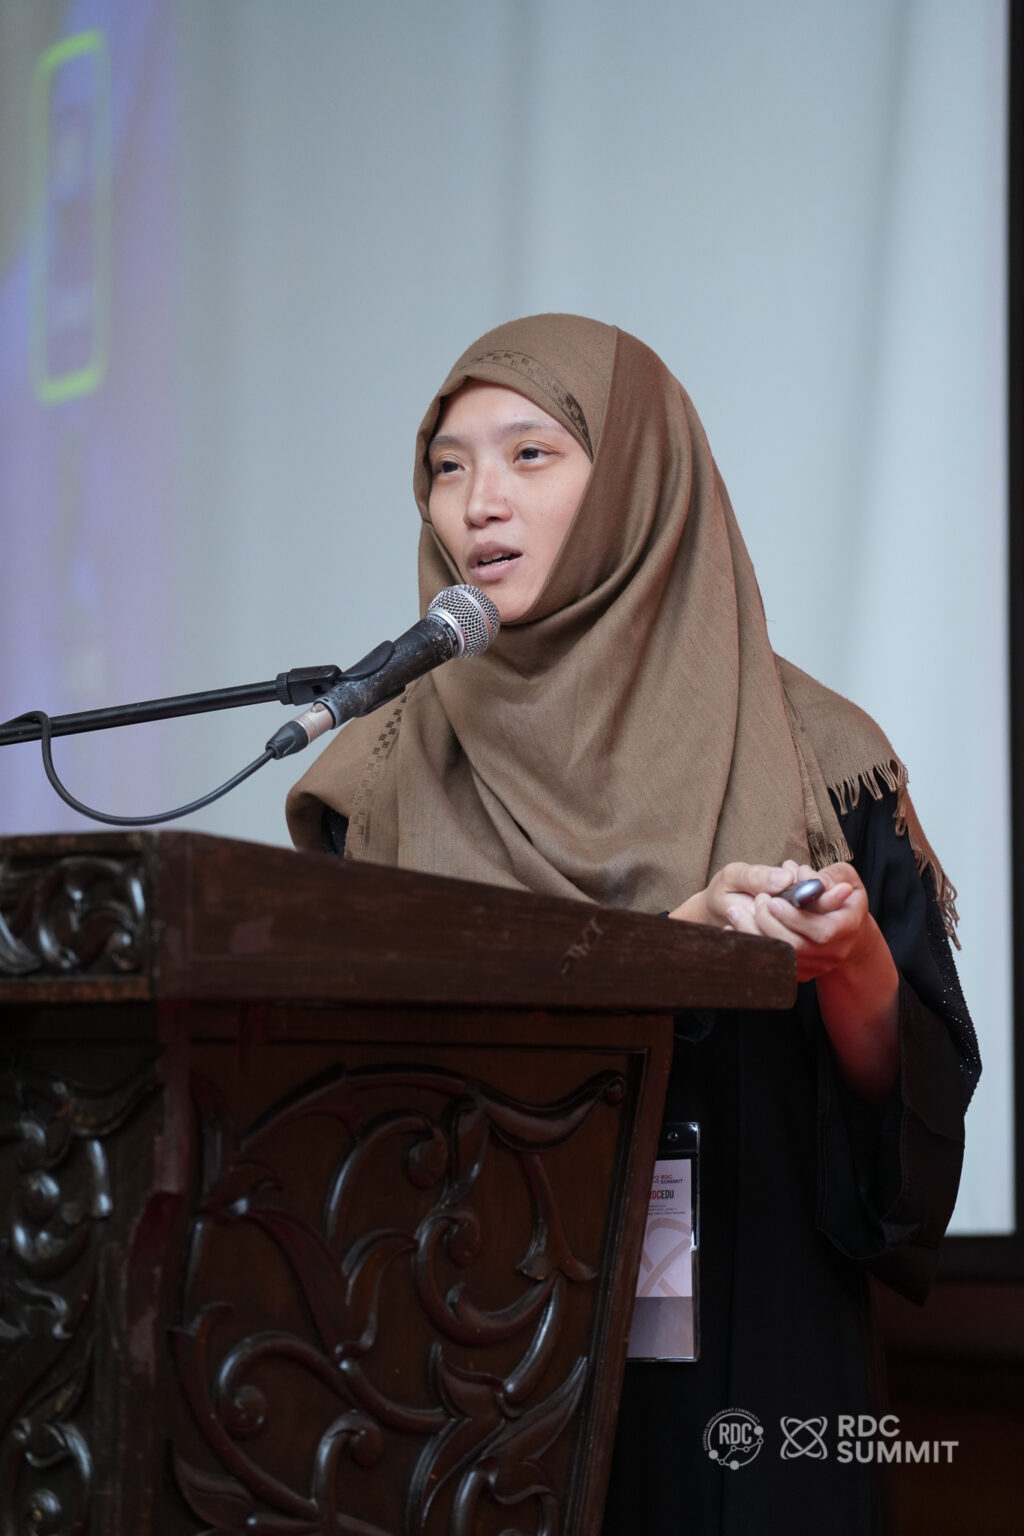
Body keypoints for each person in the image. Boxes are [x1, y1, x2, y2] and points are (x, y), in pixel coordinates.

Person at [286, 314, 980, 1534]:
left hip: (750, 1391)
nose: (477, 502)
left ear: (639, 485)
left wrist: (853, 963)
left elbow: (902, 1144)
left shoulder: (820, 763)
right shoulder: (378, 778)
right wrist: (664, 955)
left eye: (530, 454)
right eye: (446, 466)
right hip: (460, 1385)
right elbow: (358, 1110)